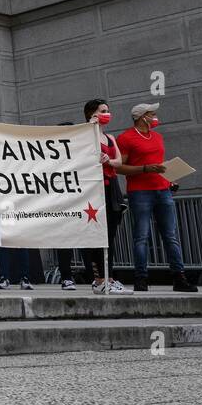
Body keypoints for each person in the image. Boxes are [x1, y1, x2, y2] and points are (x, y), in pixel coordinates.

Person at [113, 103, 197, 293]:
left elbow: (160, 165)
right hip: (140, 192)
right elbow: (118, 168)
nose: (155, 117)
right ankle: (141, 279)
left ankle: (179, 278)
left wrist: (170, 180)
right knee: (141, 237)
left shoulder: (157, 137)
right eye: (152, 114)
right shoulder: (126, 138)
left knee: (171, 236)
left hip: (163, 190)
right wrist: (144, 168)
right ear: (142, 117)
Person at [82, 99, 129, 294]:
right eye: (103, 111)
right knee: (97, 235)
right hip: (94, 190)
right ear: (92, 114)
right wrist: (90, 128)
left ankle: (108, 278)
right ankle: (100, 279)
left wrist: (109, 160)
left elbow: (118, 161)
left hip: (111, 188)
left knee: (110, 235)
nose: (107, 114)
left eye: (108, 110)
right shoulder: (85, 136)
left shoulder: (110, 137)